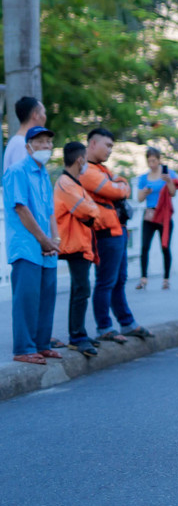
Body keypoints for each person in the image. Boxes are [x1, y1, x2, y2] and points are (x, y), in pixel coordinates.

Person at [82, 128, 151, 344]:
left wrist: (119, 185)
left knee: (119, 280)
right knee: (106, 281)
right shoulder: (86, 170)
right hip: (103, 233)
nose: (110, 150)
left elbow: (121, 185)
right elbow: (116, 190)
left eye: (112, 146)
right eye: (107, 145)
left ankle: (126, 322)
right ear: (92, 144)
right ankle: (104, 326)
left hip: (117, 230)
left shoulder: (102, 169)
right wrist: (119, 185)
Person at [5, 127, 60, 364]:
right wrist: (43, 239)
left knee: (46, 297)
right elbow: (21, 208)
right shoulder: (16, 171)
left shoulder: (44, 173)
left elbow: (49, 211)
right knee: (26, 298)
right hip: (27, 245)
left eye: (49, 142)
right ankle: (24, 348)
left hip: (46, 246)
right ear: (28, 146)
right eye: (40, 142)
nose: (46, 146)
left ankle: (42, 344)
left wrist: (54, 241)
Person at [55, 141, 102, 358]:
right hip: (73, 244)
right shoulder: (65, 183)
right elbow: (87, 209)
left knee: (81, 290)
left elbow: (90, 209)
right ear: (80, 159)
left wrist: (91, 211)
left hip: (80, 243)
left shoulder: (73, 183)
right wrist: (92, 211)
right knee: (81, 290)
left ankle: (80, 333)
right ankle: (77, 337)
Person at [135, 146, 178, 290]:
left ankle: (166, 279)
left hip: (164, 215)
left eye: (154, 161)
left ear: (159, 160)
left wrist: (168, 181)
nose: (152, 164)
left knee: (165, 246)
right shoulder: (143, 178)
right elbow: (139, 199)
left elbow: (173, 193)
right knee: (144, 247)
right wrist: (145, 192)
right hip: (149, 214)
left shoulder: (168, 174)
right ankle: (143, 278)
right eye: (149, 161)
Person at [4, 97, 47, 171]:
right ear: (35, 115)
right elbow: (22, 177)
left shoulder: (20, 142)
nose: (45, 117)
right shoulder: (20, 144)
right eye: (43, 113)